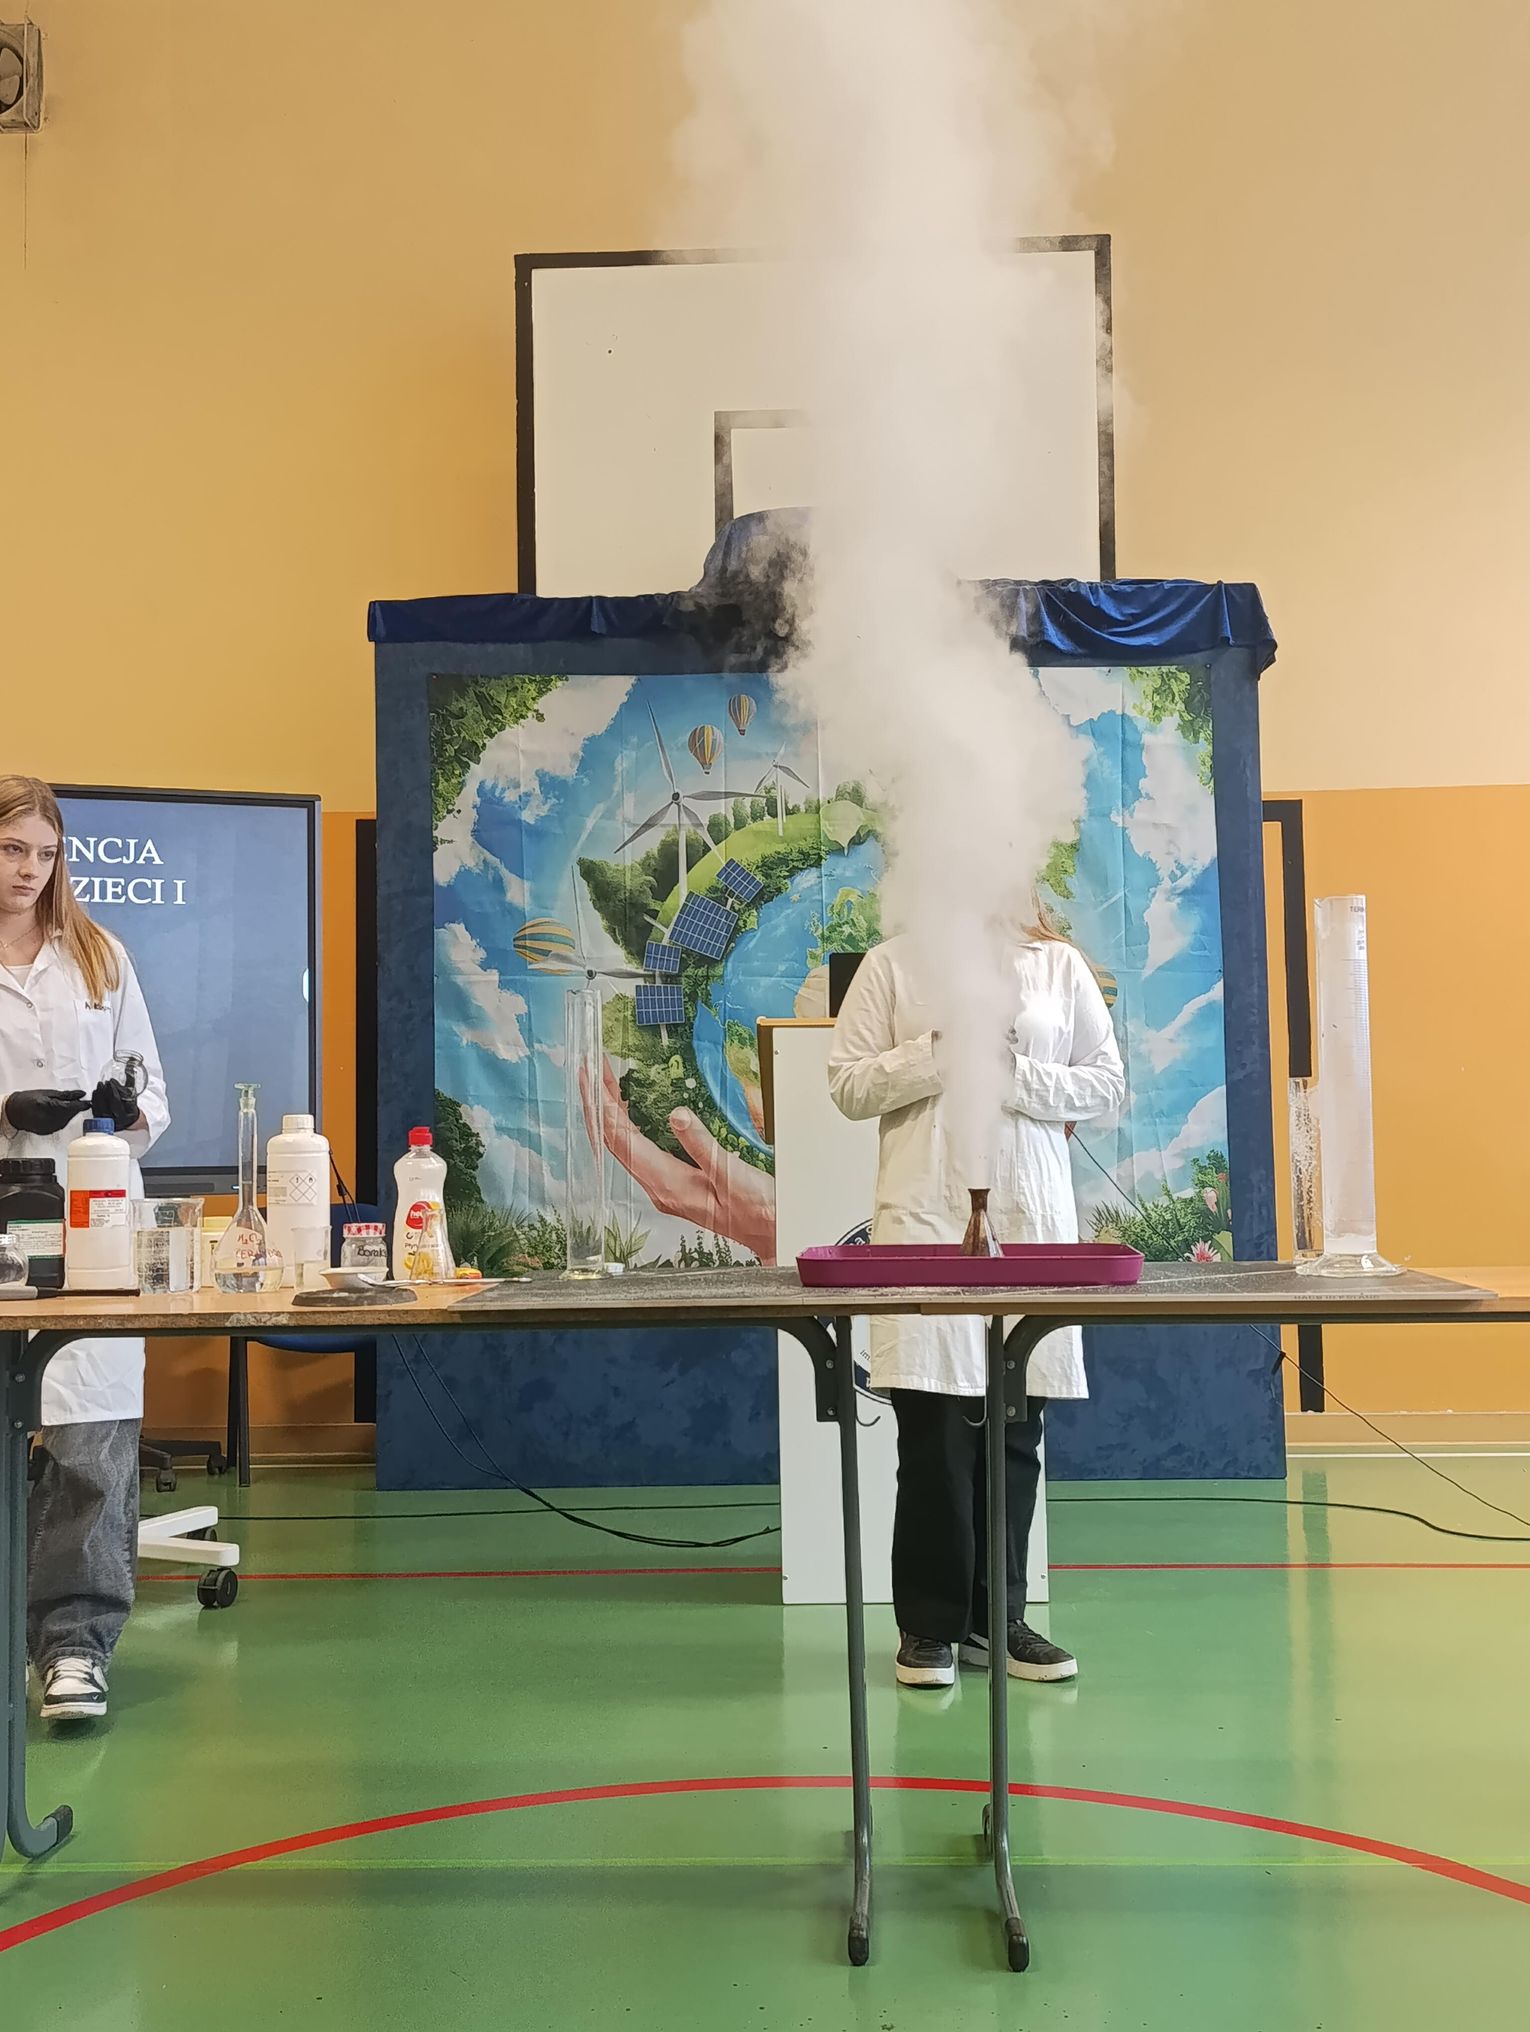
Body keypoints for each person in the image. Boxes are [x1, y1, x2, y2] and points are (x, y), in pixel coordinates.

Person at [827, 922, 1124, 1690]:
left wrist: (1011, 1074)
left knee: (1015, 1430)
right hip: (925, 1220)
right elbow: (848, 1085)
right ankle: (930, 1628)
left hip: (1030, 1221)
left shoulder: (1058, 966)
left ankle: (1000, 1619)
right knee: (934, 1433)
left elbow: (1104, 1083)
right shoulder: (894, 964)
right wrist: (937, 1056)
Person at [0, 776, 169, 1722]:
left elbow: (154, 1094)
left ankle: (74, 1646)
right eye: (11, 849)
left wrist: (120, 1109)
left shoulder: (100, 955)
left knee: (90, 1434)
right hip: (2, 1211)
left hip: (92, 1219)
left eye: (44, 852)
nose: (29, 870)